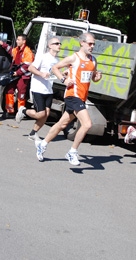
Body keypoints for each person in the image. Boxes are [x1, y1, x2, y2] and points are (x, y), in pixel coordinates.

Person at [35, 32, 102, 164]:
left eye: (93, 44)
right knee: (87, 124)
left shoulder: (93, 60)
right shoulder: (74, 58)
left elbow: (93, 78)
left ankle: (42, 144)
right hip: (73, 95)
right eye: (90, 43)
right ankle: (72, 152)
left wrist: (97, 78)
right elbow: (55, 68)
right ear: (82, 43)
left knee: (62, 124)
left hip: (81, 97)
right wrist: (63, 79)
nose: (92, 46)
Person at [16, 37, 61, 140]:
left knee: (46, 114)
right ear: (50, 46)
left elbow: (55, 74)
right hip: (38, 89)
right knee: (40, 114)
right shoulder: (43, 57)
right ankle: (23, 111)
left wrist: (64, 74)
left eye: (59, 43)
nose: (59, 45)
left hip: (48, 90)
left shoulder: (57, 60)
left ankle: (33, 133)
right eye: (56, 43)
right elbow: (31, 68)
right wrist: (41, 73)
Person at [3, 34, 34, 117]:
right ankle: (9, 111)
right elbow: (10, 50)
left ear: (24, 41)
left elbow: (27, 66)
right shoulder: (16, 49)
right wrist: (3, 44)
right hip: (15, 74)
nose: (17, 41)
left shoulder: (28, 52)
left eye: (18, 40)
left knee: (21, 94)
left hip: (23, 76)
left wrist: (18, 72)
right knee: (9, 90)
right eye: (17, 39)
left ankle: (20, 113)